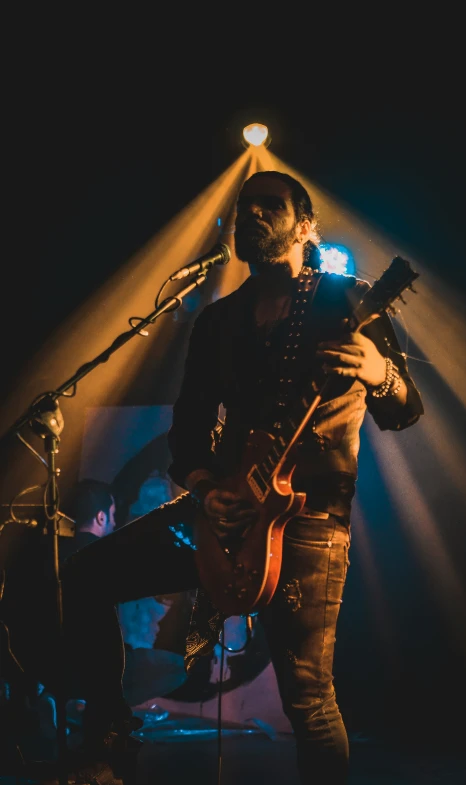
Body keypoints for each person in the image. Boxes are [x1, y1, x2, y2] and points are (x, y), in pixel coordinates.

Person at [11, 170, 424, 784]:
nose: (249, 214)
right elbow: (187, 432)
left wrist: (378, 370)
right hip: (221, 511)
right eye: (242, 206)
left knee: (307, 697)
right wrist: (206, 490)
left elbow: (406, 410)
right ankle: (110, 738)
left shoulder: (350, 301)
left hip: (306, 522)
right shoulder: (219, 321)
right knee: (86, 576)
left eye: (268, 206)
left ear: (305, 226)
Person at [59, 478, 117, 563]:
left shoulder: (59, 551)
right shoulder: (110, 553)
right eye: (113, 514)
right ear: (101, 518)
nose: (114, 523)